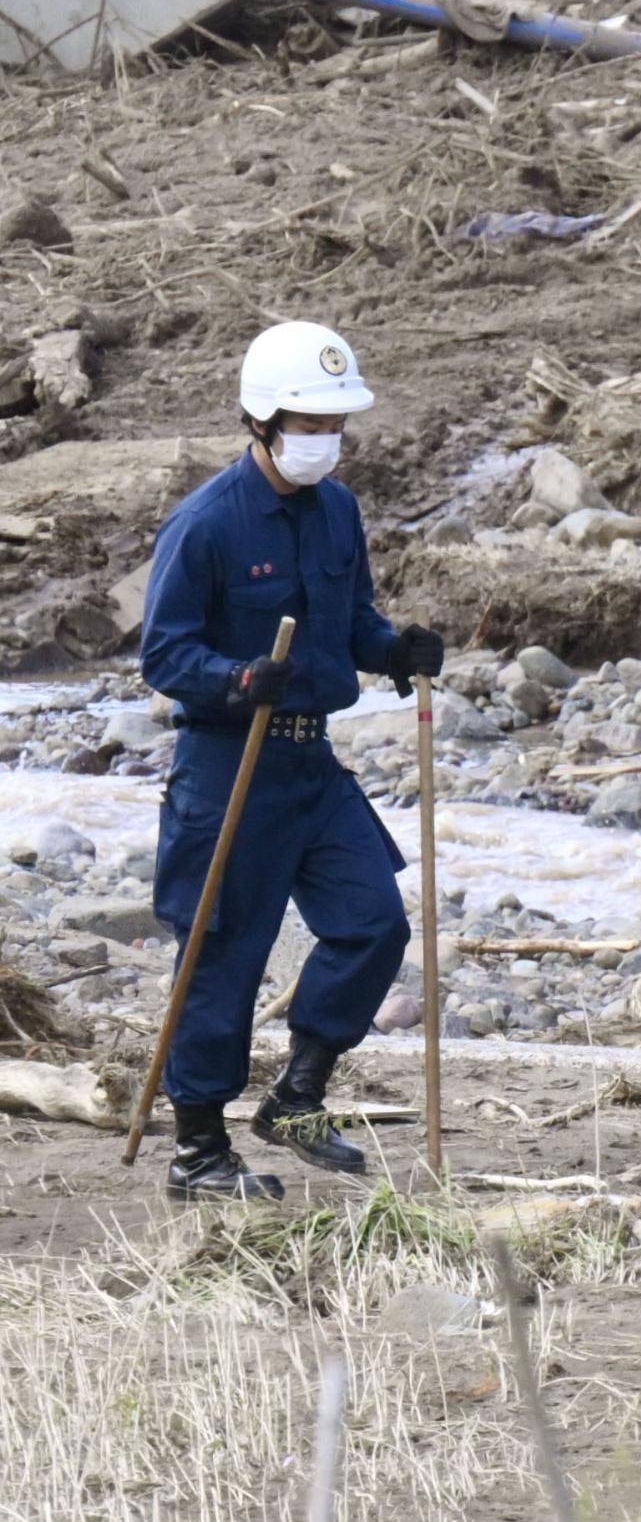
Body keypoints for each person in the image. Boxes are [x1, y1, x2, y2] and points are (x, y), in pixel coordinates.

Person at [136, 323, 447, 1202]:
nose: (327, 438)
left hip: (314, 767)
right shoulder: (206, 524)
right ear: (264, 419)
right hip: (227, 768)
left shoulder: (338, 509)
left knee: (374, 923)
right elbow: (162, 655)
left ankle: (298, 1092)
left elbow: (354, 624)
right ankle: (198, 1151)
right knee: (221, 952)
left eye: (336, 422)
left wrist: (396, 651)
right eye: (311, 420)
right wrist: (237, 675)